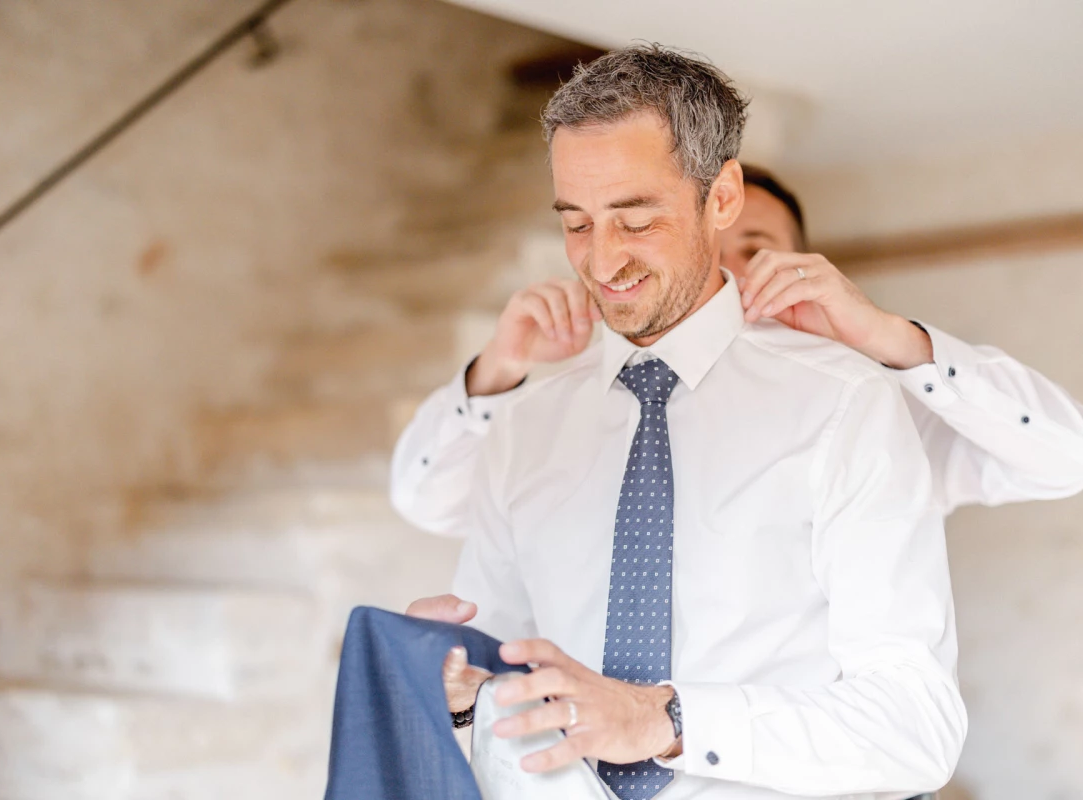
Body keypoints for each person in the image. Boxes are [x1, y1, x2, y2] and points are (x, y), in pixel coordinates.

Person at [405, 44, 965, 799]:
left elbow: (914, 728)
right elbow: (505, 702)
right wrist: (456, 701)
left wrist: (667, 721)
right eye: (576, 223)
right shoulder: (524, 430)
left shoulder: (844, 407)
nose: (602, 261)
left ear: (722, 197)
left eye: (636, 220)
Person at [390, 171, 1083, 539]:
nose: (727, 274)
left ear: (803, 260)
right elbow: (429, 503)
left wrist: (887, 337)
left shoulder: (876, 408)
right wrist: (498, 370)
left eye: (754, 248)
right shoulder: (582, 409)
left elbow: (1069, 456)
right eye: (708, 250)